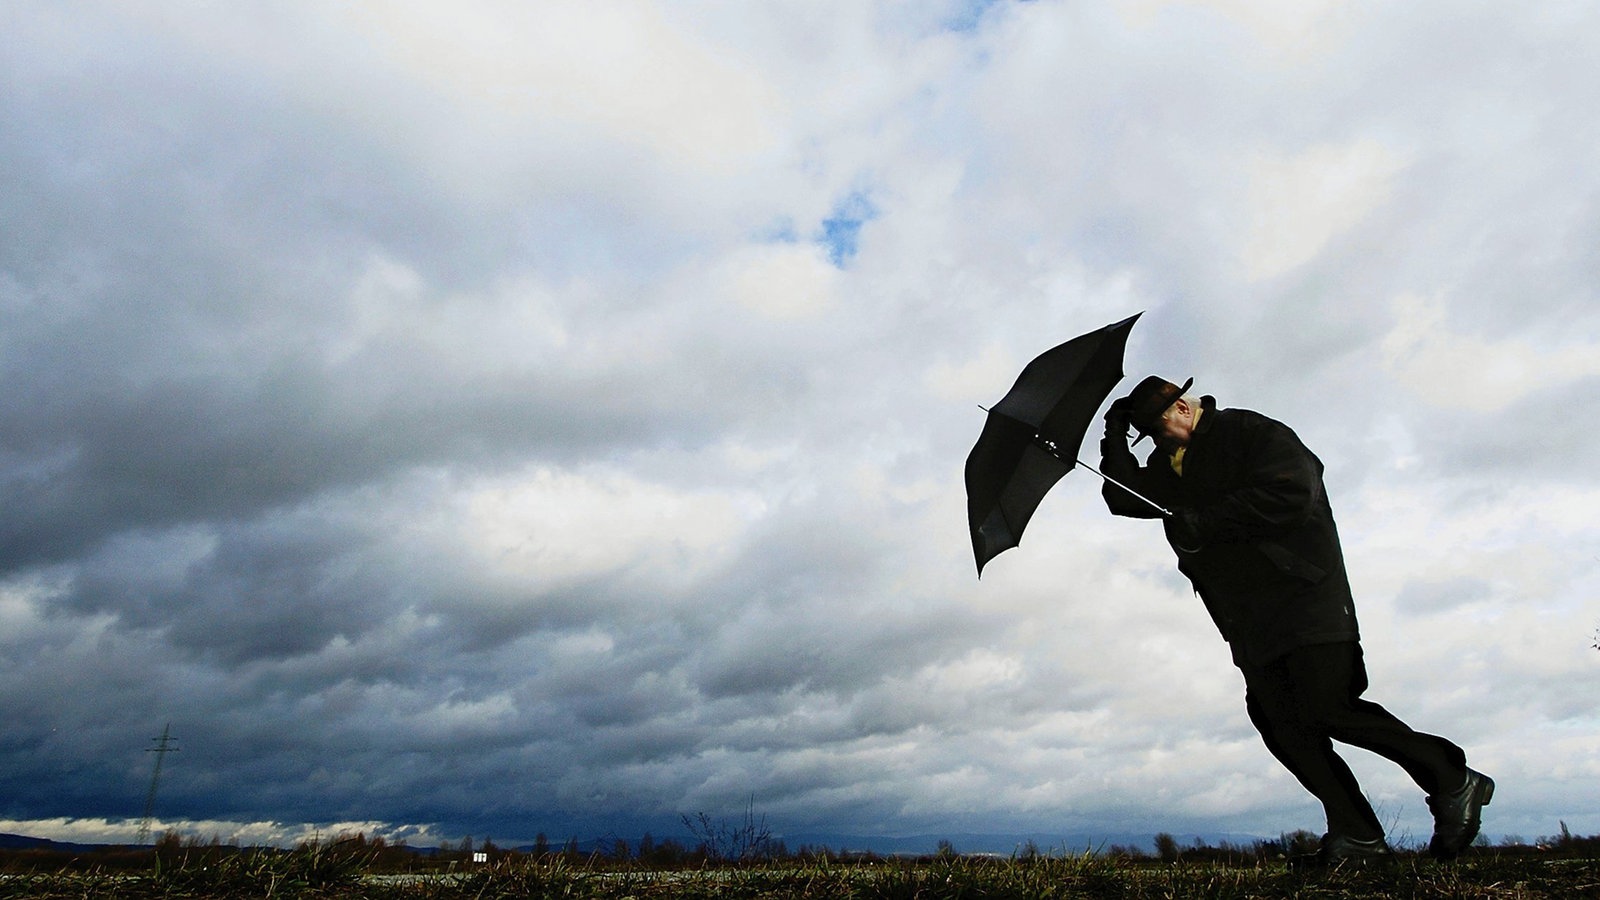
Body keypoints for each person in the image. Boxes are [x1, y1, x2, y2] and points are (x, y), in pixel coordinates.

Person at [1097, 376, 1493, 868]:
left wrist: (1207, 519)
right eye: (1147, 435)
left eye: (1157, 428)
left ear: (1183, 407)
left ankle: (1451, 779)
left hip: (1305, 597)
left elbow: (1292, 492)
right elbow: (1123, 496)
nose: (1157, 441)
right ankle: (1358, 835)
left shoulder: (1249, 432)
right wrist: (1115, 434)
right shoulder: (1168, 464)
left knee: (1327, 705)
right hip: (1248, 617)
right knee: (1278, 720)